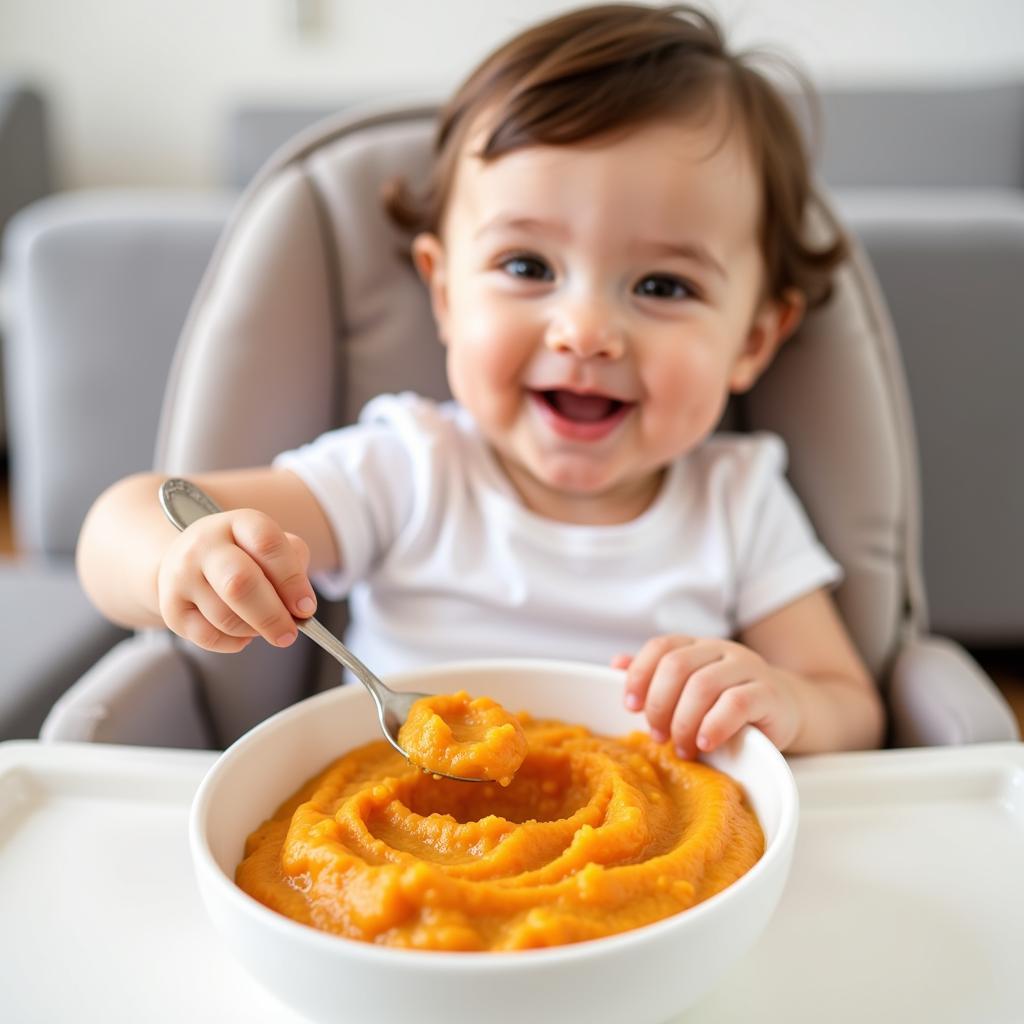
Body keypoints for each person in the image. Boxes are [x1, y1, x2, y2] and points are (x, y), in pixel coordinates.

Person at [77, 3, 885, 758]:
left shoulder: (737, 504)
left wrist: (784, 698)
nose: (586, 333)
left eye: (663, 286)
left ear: (752, 338)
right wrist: (181, 564)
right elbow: (122, 519)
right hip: (401, 863)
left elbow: (853, 705)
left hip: (665, 883)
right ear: (445, 293)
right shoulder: (408, 471)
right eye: (529, 266)